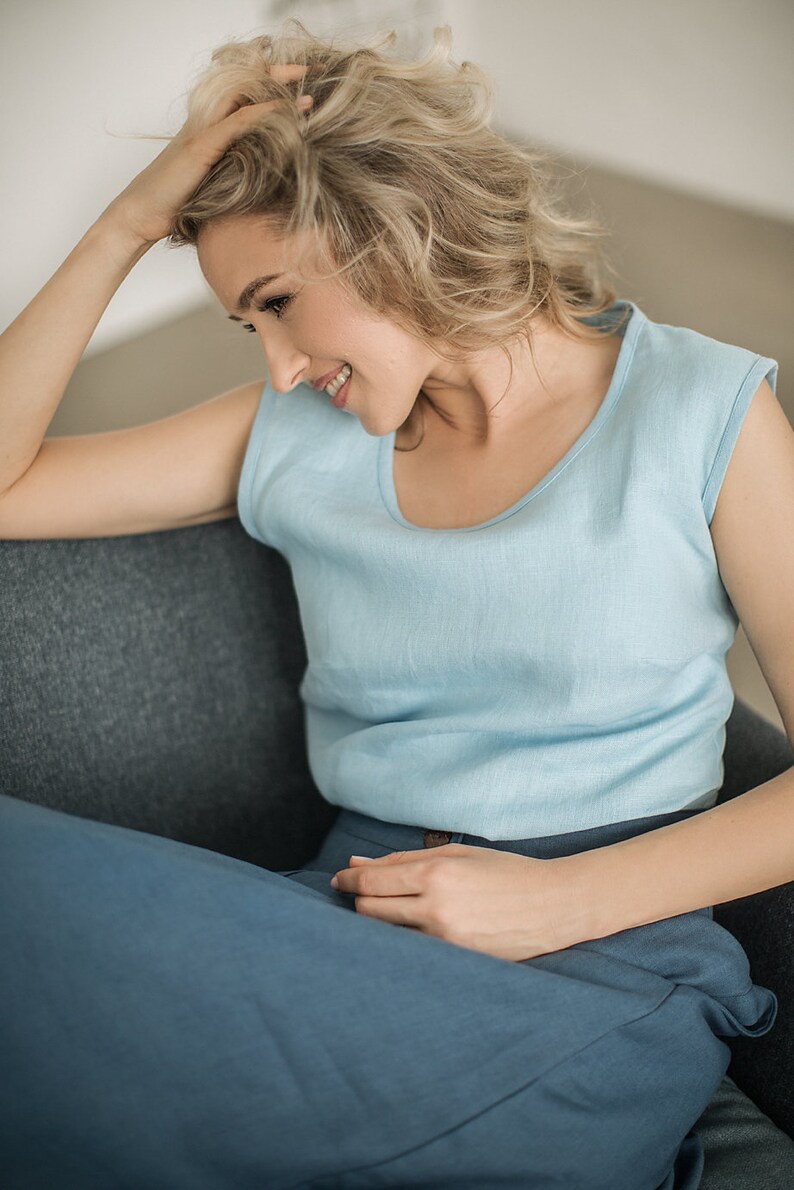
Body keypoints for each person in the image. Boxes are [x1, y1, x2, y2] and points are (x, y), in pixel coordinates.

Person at [1, 20, 792, 1190]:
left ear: (390, 229)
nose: (273, 365)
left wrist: (557, 898)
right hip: (347, 937)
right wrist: (126, 222)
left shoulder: (698, 410)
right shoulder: (293, 434)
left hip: (601, 971)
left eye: (275, 301)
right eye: (245, 324)